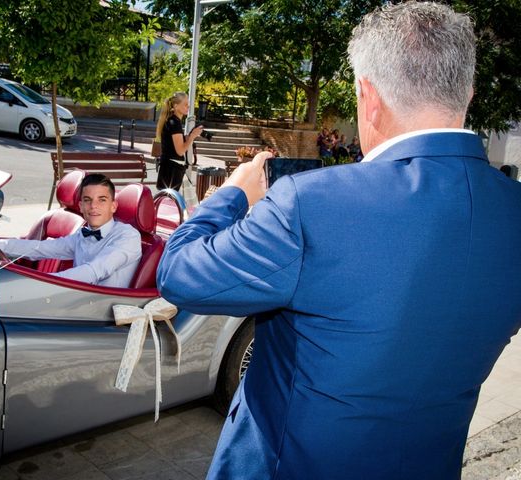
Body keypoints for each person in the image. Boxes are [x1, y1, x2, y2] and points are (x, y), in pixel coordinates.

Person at [156, 2, 521, 479]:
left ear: (367, 95)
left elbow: (180, 274)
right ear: (468, 93)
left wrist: (232, 195)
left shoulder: (310, 203)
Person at [0, 173, 142, 288]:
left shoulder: (128, 236)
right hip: (75, 301)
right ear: (81, 206)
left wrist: (41, 283)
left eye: (102, 200)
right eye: (87, 200)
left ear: (113, 206)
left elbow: (94, 271)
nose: (93, 206)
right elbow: (41, 248)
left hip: (104, 314)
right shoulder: (83, 233)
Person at [155, 92, 203, 191]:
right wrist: (192, 136)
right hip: (172, 171)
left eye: (188, 105)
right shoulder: (174, 123)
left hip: (169, 169)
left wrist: (189, 136)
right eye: (185, 104)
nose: (188, 107)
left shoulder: (171, 121)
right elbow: (180, 151)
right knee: (171, 204)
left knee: (170, 203)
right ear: (176, 106)